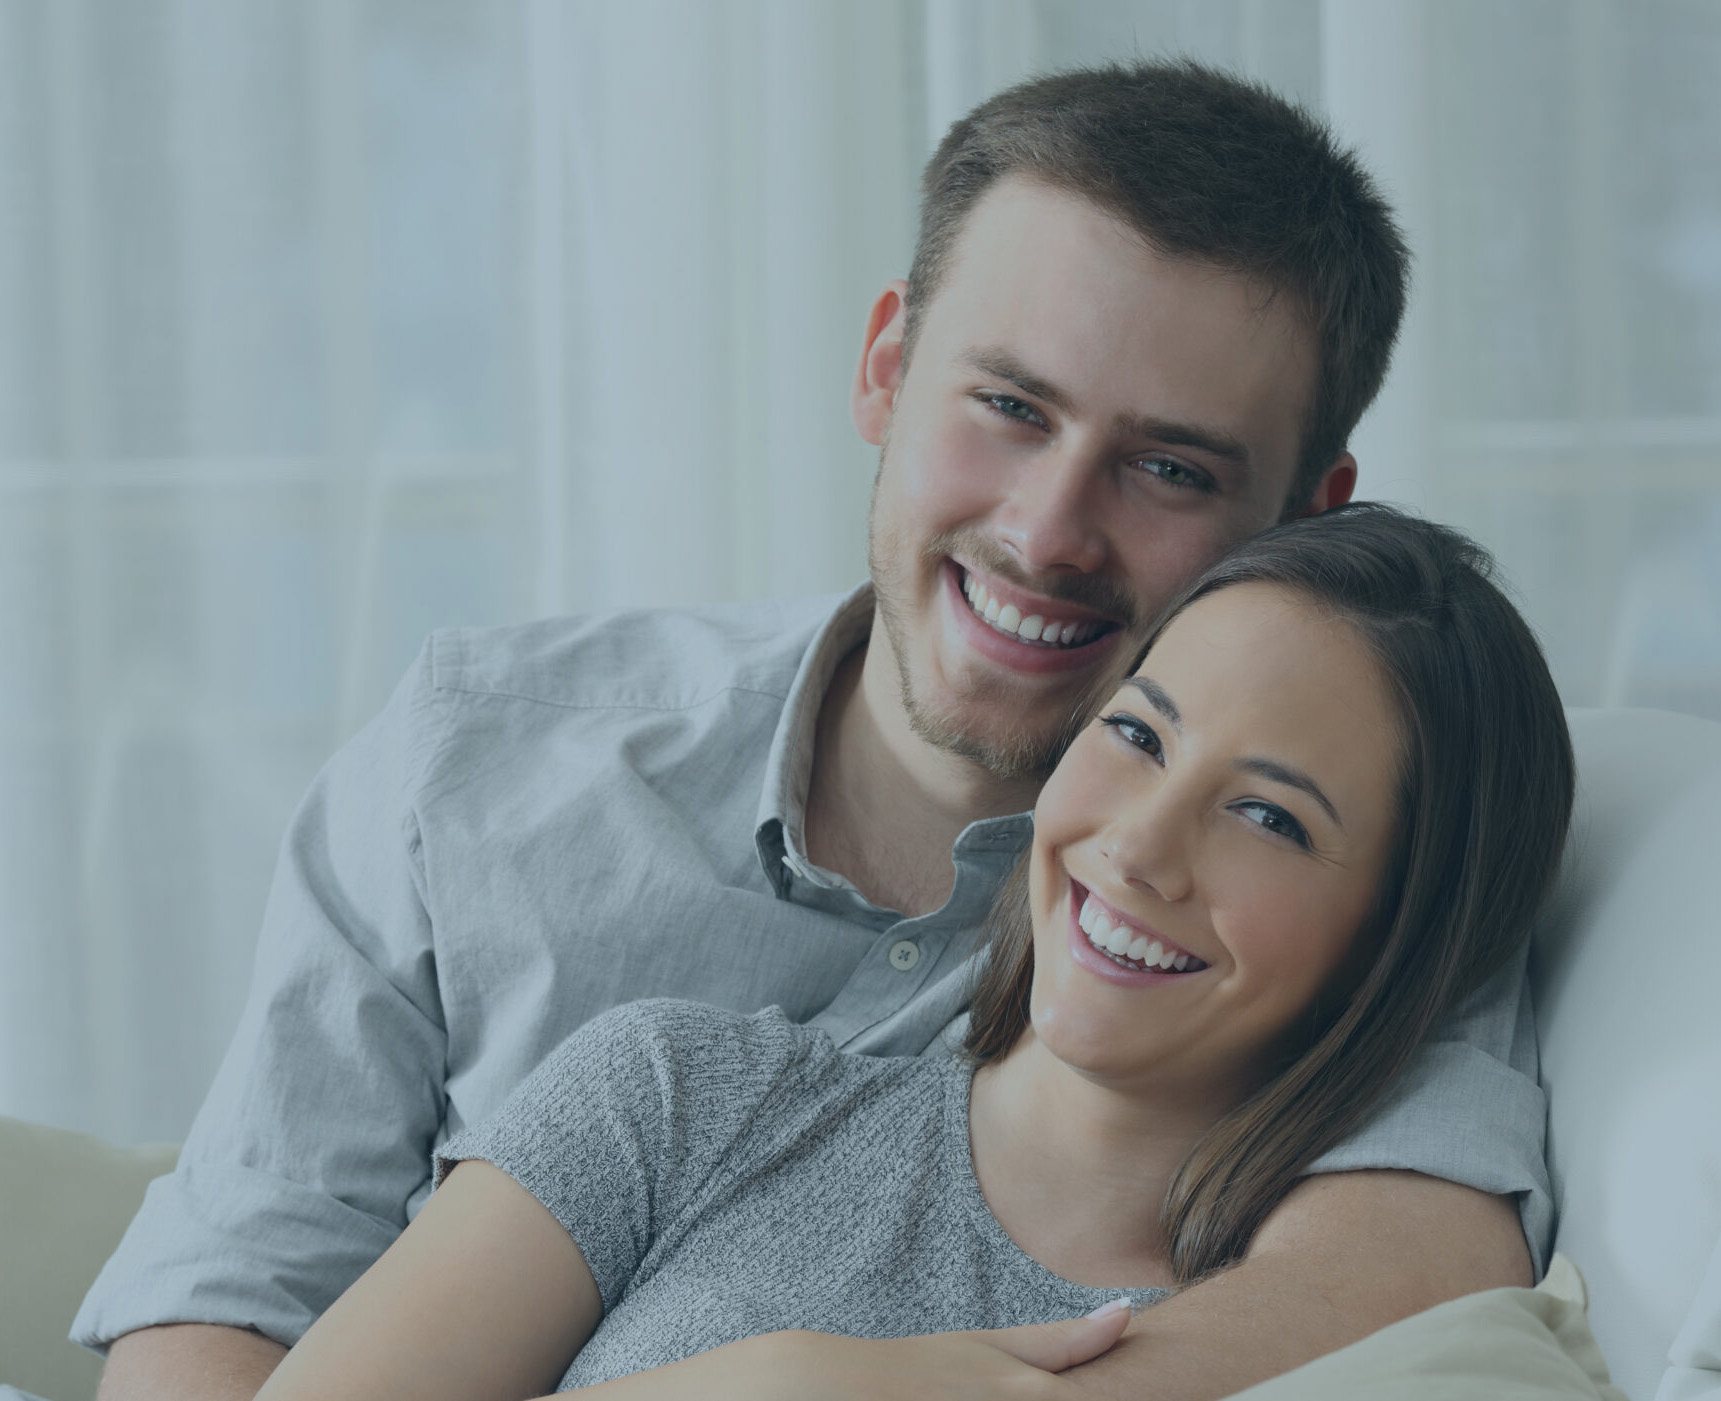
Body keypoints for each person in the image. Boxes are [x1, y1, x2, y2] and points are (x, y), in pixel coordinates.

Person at [79, 61, 1552, 1401]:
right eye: (1008, 405)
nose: (1046, 530)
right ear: (884, 371)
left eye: (1167, 467)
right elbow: (228, 1300)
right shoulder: (480, 767)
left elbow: (1406, 1271)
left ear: (1304, 525)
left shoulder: (1354, 877)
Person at [246, 506, 1577, 1400]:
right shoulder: (676, 1093)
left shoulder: (1352, 1335)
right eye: (1137, 735)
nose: (1137, 847)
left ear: (1398, 939)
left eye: (1267, 816)